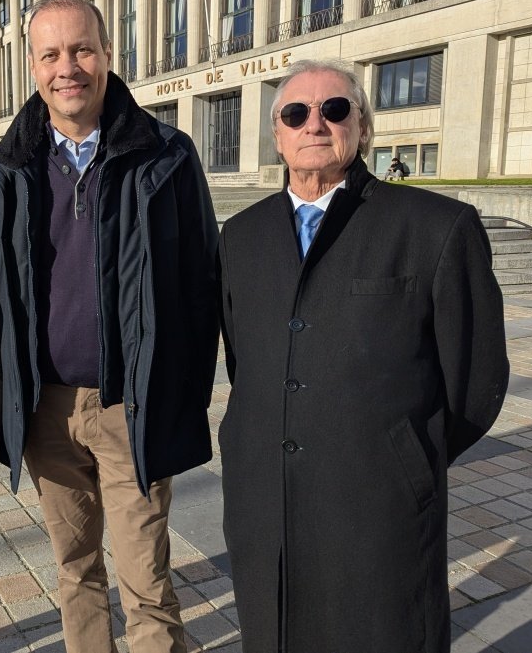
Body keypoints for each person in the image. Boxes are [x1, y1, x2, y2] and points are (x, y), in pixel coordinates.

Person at [216, 59, 509, 653]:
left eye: (335, 109)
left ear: (364, 127)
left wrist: (404, 454)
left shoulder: (436, 226)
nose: (315, 124)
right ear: (277, 135)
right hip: (265, 501)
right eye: (295, 113)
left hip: (378, 506)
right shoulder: (240, 237)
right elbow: (245, 361)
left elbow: (477, 379)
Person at [0, 0, 219, 653]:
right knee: (75, 567)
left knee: (145, 573)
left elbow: (202, 284)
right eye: (51, 53)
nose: (69, 67)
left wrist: (181, 395)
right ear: (32, 66)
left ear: (108, 54)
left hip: (130, 404)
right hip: (46, 411)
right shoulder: (6, 169)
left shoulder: (167, 154)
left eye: (82, 48)